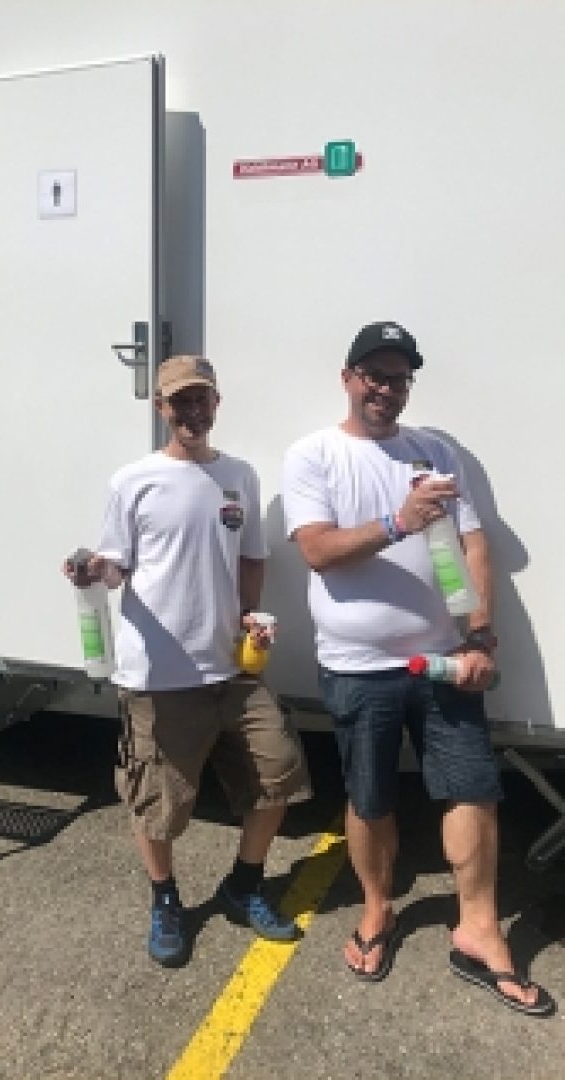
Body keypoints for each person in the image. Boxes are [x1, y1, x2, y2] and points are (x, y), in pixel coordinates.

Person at [283, 321, 553, 1016]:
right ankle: (378, 910)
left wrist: (483, 637)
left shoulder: (433, 452)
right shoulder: (312, 455)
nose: (386, 388)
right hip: (356, 664)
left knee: (474, 789)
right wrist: (398, 522)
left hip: (441, 661)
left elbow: (473, 543)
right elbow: (316, 550)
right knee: (369, 796)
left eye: (399, 378)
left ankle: (479, 930)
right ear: (347, 378)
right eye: (374, 374)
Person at [66, 355, 311, 967]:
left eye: (202, 400)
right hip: (158, 674)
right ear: (162, 409)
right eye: (181, 402)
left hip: (233, 666)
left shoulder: (240, 476)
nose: (193, 412)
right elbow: (118, 566)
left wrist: (250, 615)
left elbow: (252, 556)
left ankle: (243, 887)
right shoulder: (134, 480)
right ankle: (165, 899)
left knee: (275, 776)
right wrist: (96, 568)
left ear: (217, 403)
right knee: (160, 804)